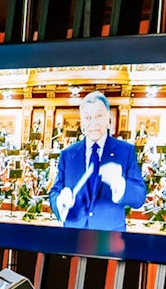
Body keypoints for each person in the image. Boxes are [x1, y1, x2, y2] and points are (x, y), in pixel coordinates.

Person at [48, 91, 146, 231]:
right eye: (88, 117)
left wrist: (119, 183)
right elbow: (54, 193)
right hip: (73, 238)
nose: (93, 123)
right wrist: (59, 202)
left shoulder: (126, 151)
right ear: (82, 122)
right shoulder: (67, 155)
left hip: (110, 242)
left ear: (108, 119)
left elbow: (139, 197)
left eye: (99, 116)